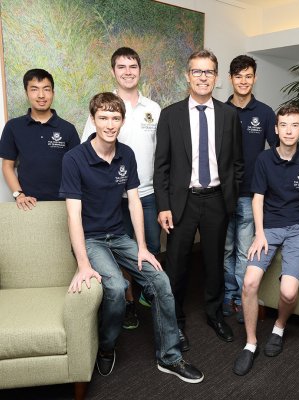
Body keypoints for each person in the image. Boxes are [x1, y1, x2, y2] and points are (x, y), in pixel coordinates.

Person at [60, 92, 203, 383]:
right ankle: (106, 347)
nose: (110, 124)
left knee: (160, 280)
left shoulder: (127, 154)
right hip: (91, 239)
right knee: (114, 287)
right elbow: (73, 215)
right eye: (103, 118)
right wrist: (84, 263)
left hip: (119, 235)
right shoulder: (74, 159)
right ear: (93, 119)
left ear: (122, 121)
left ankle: (169, 357)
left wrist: (142, 248)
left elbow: (134, 202)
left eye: (115, 118)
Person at [154, 49, 244, 352]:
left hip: (217, 200)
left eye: (208, 72)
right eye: (197, 71)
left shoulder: (230, 115)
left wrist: (231, 197)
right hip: (183, 202)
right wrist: (164, 205)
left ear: (216, 78)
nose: (203, 77)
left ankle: (214, 313)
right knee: (176, 265)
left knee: (214, 262)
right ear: (187, 75)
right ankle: (175, 321)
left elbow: (237, 162)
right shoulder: (170, 115)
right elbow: (161, 166)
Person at [232, 104, 299, 376]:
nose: (289, 130)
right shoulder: (263, 159)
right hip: (269, 227)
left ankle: (279, 327)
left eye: (295, 125)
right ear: (276, 129)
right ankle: (250, 343)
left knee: (289, 292)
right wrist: (259, 233)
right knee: (248, 283)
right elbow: (257, 198)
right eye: (284, 125)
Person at [82, 47, 161, 330]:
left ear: (140, 70)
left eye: (132, 66)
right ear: (113, 71)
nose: (128, 71)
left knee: (150, 247)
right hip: (113, 198)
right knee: (119, 252)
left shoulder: (153, 109)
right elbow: (86, 152)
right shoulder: (104, 109)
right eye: (121, 67)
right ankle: (127, 303)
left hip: (147, 194)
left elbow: (160, 154)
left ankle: (147, 299)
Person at [223, 55, 276, 324]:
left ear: (254, 78)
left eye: (248, 76)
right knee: (225, 250)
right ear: (230, 79)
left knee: (245, 251)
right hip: (221, 194)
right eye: (238, 76)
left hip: (250, 195)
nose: (243, 81)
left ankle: (244, 300)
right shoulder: (220, 111)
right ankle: (228, 297)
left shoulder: (265, 113)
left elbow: (278, 151)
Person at [0, 69, 79, 209]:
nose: (41, 95)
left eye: (46, 89)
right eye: (34, 89)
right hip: (27, 204)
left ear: (53, 93)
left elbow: (77, 169)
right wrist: (19, 194)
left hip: (63, 204)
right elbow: (7, 165)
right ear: (26, 93)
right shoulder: (13, 127)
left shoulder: (68, 129)